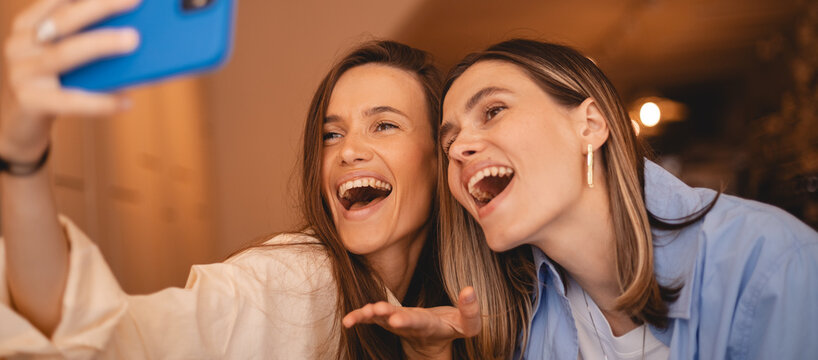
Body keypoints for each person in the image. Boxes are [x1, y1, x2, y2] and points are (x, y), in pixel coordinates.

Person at [0, 0, 478, 358]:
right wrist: (21, 159)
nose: (348, 150)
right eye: (331, 134)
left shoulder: (465, 299)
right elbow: (98, 334)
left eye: (385, 125)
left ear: (440, 160)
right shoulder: (295, 281)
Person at [435, 39, 818, 359]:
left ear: (590, 125)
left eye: (494, 111)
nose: (459, 148)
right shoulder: (519, 324)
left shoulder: (772, 261)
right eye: (449, 141)